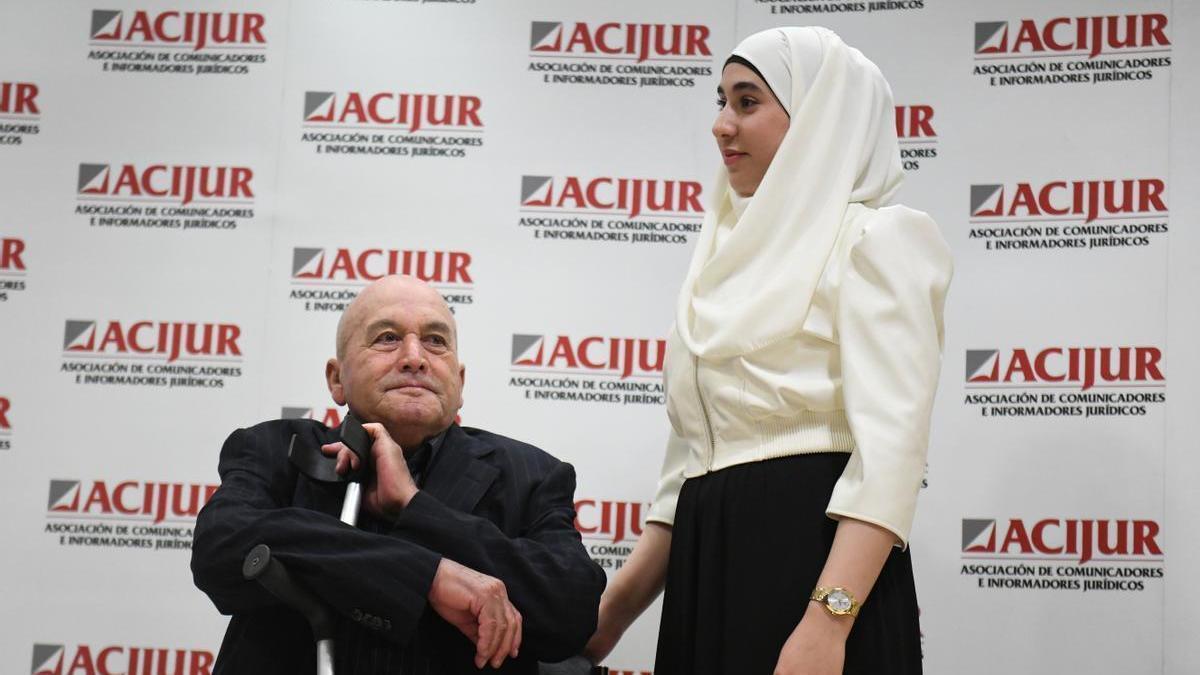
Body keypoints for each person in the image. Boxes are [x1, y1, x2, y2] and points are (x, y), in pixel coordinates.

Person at [584, 26, 953, 675]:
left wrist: (827, 623)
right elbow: (692, 463)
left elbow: (891, 456)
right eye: (721, 101)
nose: (721, 125)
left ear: (817, 116)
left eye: (747, 101)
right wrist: (607, 617)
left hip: (815, 571)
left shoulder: (876, 239)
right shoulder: (719, 259)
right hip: (708, 569)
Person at [192, 275, 606, 674]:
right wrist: (428, 577)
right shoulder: (278, 449)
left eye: (435, 341)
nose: (414, 357)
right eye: (387, 338)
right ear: (336, 379)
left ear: (460, 382)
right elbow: (222, 548)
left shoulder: (531, 475)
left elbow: (571, 612)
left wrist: (415, 507)